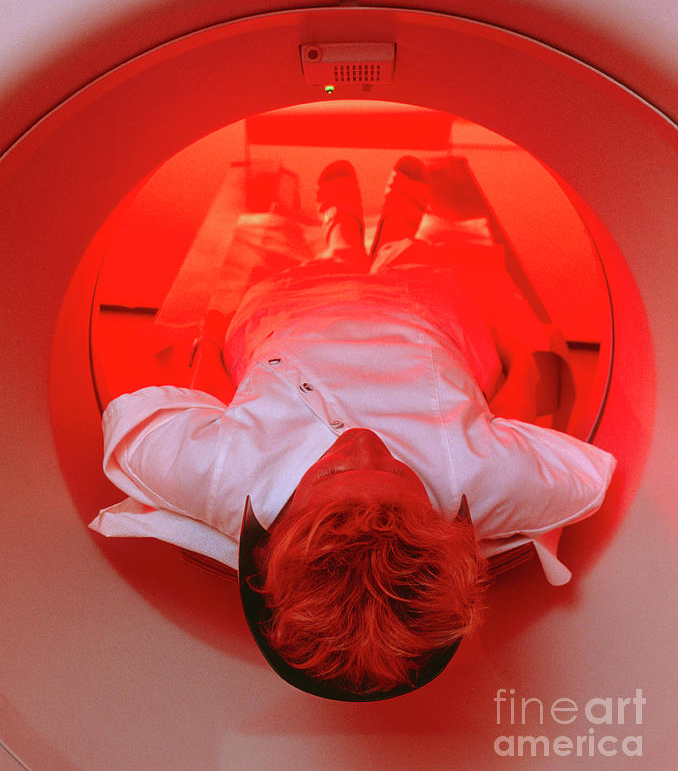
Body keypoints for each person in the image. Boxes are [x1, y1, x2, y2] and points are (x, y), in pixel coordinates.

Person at [100, 156, 616, 697]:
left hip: (294, 316)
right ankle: (398, 226)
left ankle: (340, 227)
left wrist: (209, 352)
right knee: (414, 260)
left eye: (330, 472)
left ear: (272, 536)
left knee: (326, 263)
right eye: (399, 471)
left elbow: (129, 430)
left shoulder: (233, 480)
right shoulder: (475, 481)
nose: (364, 443)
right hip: (426, 318)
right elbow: (587, 480)